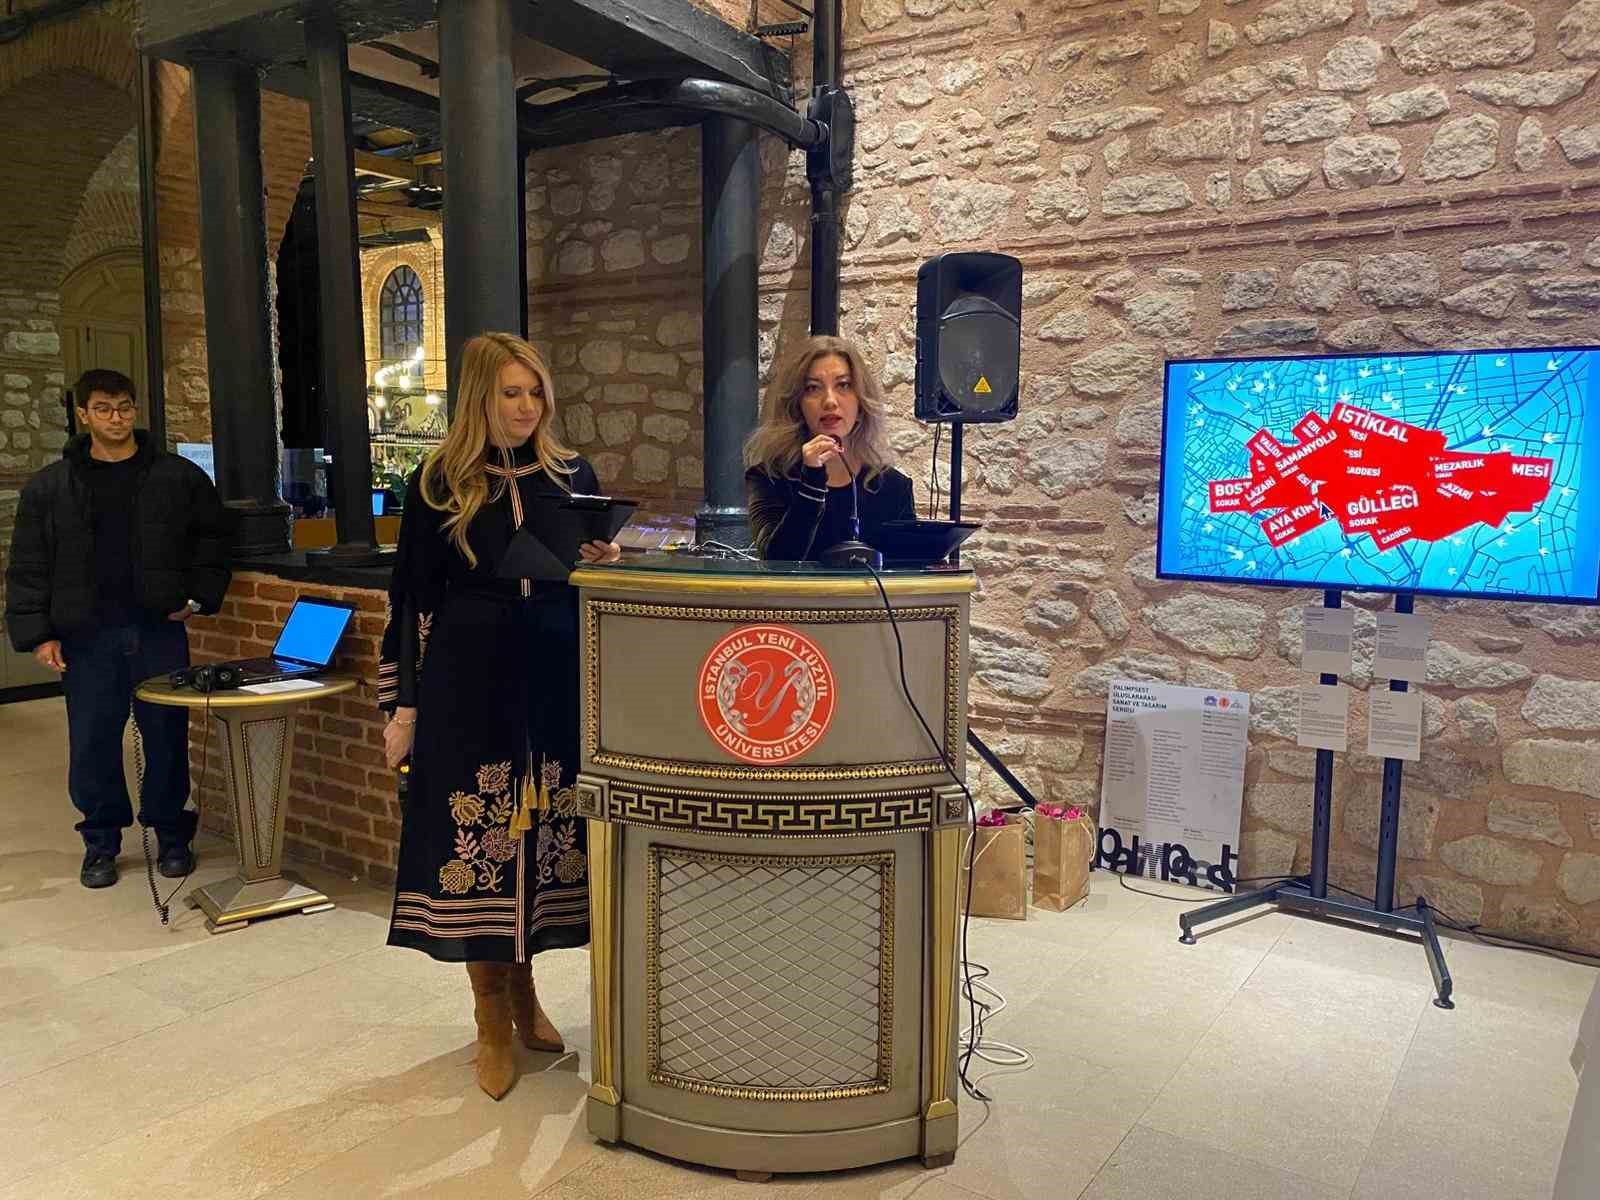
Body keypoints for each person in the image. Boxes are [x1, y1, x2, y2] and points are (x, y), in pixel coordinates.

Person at [378, 332, 620, 1101]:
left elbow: (584, 571)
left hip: (553, 671)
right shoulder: (439, 481)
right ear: (480, 397)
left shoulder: (571, 473)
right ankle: (489, 1015)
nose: (525, 406)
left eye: (535, 392)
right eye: (511, 393)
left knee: (543, 838)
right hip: (469, 673)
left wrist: (601, 561)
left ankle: (525, 994)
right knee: (481, 835)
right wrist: (403, 705)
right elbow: (411, 596)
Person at [4, 369, 232, 888]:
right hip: (85, 636)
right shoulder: (50, 487)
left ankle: (172, 835)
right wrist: (39, 632)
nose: (117, 418)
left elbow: (213, 540)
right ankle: (101, 843)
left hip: (157, 629)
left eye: (125, 407)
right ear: (83, 414)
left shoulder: (176, 477)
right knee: (92, 743)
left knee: (167, 736)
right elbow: (29, 563)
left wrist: (197, 597)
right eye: (104, 408)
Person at [744, 334, 916, 560]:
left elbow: (909, 568)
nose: (830, 401)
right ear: (797, 405)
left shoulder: (894, 487)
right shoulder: (769, 477)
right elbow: (776, 561)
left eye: (843, 385)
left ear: (861, 400)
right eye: (813, 388)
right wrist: (812, 481)